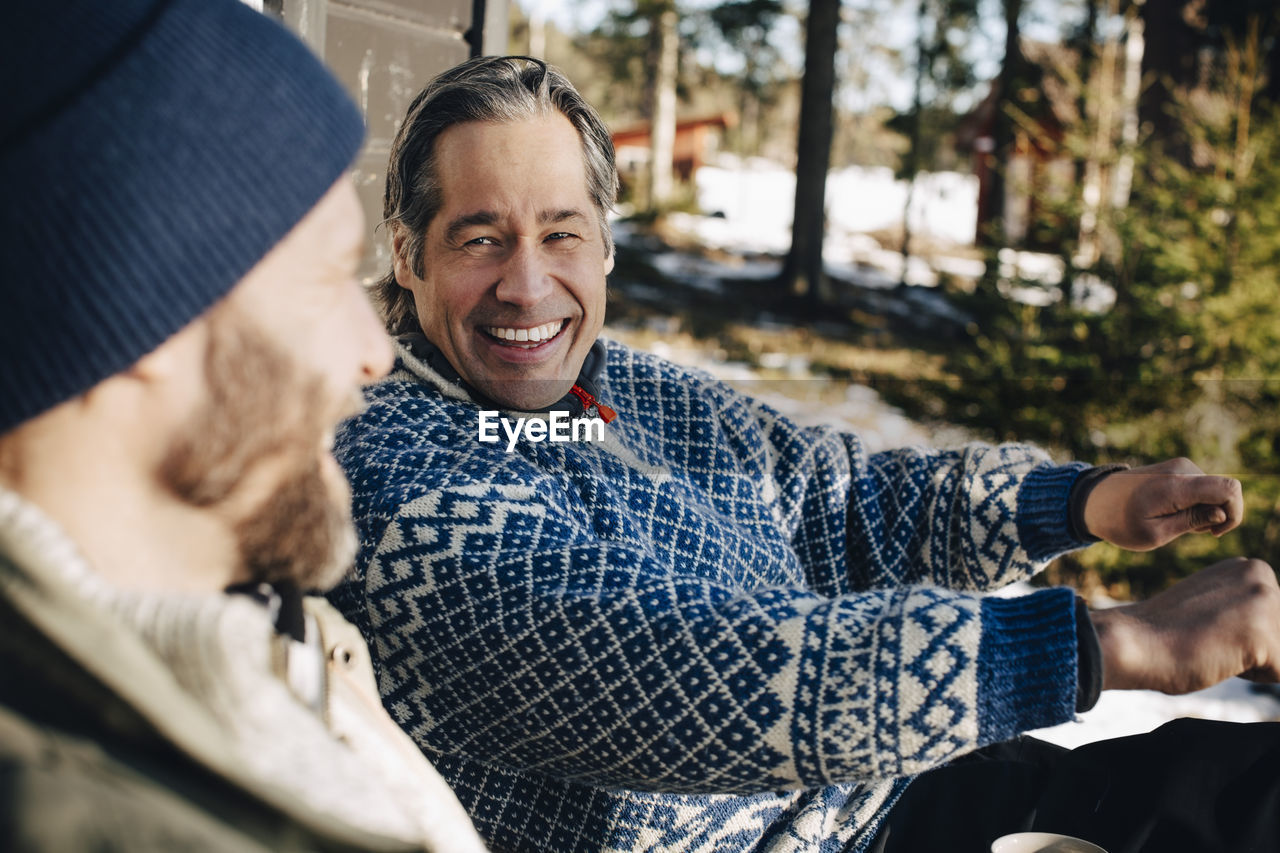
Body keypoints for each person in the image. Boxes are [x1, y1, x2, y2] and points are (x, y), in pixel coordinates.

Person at [332, 55, 1280, 853]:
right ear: (408, 254)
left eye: (561, 232)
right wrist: (1118, 643)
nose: (528, 284)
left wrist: (1084, 501)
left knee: (1241, 789)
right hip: (828, 834)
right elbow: (689, 673)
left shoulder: (608, 394)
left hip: (903, 786)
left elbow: (844, 501)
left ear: (605, 247)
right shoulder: (396, 475)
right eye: (481, 237)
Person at [0, 2, 490, 850]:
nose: (375, 351)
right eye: (330, 277)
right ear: (139, 306)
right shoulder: (83, 815)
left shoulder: (273, 652)